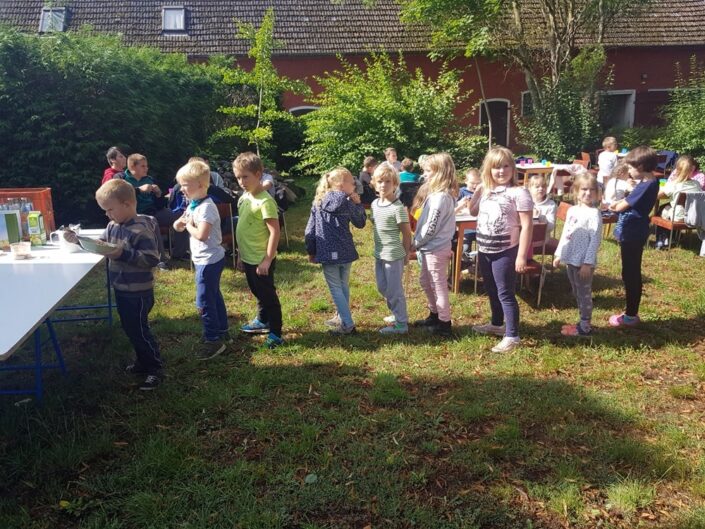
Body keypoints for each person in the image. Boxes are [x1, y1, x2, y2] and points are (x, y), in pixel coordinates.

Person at [88, 179, 162, 390]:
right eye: (105, 211)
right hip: (121, 288)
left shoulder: (141, 230)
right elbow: (103, 243)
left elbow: (151, 258)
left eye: (110, 209)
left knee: (139, 330)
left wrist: (122, 253)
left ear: (128, 204)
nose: (107, 215)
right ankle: (142, 362)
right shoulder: (113, 226)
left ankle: (154, 368)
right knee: (130, 329)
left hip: (138, 292)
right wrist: (79, 240)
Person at [468, 146, 533, 353]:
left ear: (513, 169)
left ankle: (512, 335)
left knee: (505, 292)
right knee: (492, 289)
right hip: (485, 249)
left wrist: (521, 256)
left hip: (506, 250)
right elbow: (472, 210)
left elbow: (527, 226)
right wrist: (478, 191)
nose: (501, 171)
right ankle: (497, 324)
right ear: (488, 170)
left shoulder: (519, 193)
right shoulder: (486, 191)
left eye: (506, 166)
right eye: (496, 167)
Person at [173, 160, 229, 359]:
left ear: (200, 185)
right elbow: (178, 225)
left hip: (209, 260)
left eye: (185, 185)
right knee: (214, 296)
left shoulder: (206, 207)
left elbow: (202, 235)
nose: (181, 190)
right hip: (203, 259)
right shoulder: (194, 204)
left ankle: (213, 340)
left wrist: (188, 226)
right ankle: (223, 332)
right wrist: (180, 223)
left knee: (204, 301)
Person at [305, 167, 366, 334]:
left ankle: (346, 323)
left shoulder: (318, 202)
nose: (354, 185)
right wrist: (358, 204)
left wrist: (311, 250)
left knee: (336, 287)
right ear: (341, 184)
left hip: (326, 252)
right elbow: (360, 223)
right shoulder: (347, 202)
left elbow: (309, 231)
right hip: (346, 251)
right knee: (343, 285)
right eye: (351, 182)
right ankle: (342, 317)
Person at [233, 152, 284, 349]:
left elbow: (275, 232)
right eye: (238, 177)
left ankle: (276, 332)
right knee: (257, 291)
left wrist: (267, 260)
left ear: (258, 174)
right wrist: (239, 255)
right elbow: (243, 229)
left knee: (268, 296)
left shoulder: (265, 201)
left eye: (245, 176)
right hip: (247, 257)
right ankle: (262, 320)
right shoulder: (245, 198)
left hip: (261, 260)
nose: (241, 181)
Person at [607, 146, 660, 327]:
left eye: (631, 167)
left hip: (633, 232)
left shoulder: (646, 186)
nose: (628, 170)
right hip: (635, 230)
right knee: (630, 271)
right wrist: (631, 188)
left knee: (630, 273)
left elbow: (622, 206)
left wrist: (612, 205)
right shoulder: (649, 182)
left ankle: (630, 315)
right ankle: (631, 312)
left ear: (642, 165)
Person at [411, 152, 458, 336]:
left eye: (429, 170)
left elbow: (431, 226)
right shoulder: (436, 194)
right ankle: (434, 313)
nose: (425, 174)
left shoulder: (440, 198)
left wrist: (416, 242)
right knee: (425, 281)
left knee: (438, 285)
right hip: (428, 247)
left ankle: (444, 323)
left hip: (435, 248)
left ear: (439, 172)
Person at [553, 173, 603, 337]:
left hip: (583, 263)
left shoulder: (594, 214)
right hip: (571, 258)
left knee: (584, 293)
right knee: (576, 290)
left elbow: (595, 240)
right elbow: (566, 233)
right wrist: (559, 253)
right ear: (576, 191)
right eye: (584, 189)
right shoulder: (572, 210)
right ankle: (582, 321)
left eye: (592, 190)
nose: (588, 193)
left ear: (597, 192)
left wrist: (587, 263)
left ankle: (585, 326)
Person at [122, 153, 188, 262]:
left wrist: (158, 194)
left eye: (147, 166)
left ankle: (179, 253)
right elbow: (119, 193)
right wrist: (139, 190)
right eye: (143, 166)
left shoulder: (150, 179)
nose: (146, 168)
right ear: (132, 167)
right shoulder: (122, 179)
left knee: (182, 217)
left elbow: (160, 203)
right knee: (152, 221)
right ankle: (160, 259)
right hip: (134, 213)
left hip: (154, 211)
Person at [370, 163, 412, 334]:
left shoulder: (398, 208)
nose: (383, 185)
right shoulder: (374, 204)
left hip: (394, 255)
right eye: (380, 181)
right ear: (374, 183)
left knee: (394, 290)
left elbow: (407, 234)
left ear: (395, 184)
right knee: (382, 287)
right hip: (379, 253)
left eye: (388, 182)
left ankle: (402, 324)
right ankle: (396, 313)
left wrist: (406, 253)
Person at [656, 155, 702, 248]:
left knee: (661, 210)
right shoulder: (697, 184)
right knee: (669, 206)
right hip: (693, 217)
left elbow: (658, 196)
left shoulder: (674, 184)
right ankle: (675, 236)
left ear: (676, 169)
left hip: (678, 218)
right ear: (692, 169)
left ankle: (663, 240)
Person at [454, 168, 481, 258]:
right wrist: (460, 204)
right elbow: (453, 208)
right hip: (465, 229)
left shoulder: (482, 193)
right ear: (466, 181)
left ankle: (477, 263)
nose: (475, 185)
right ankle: (464, 262)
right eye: (472, 183)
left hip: (479, 226)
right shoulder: (461, 192)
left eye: (478, 183)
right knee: (464, 249)